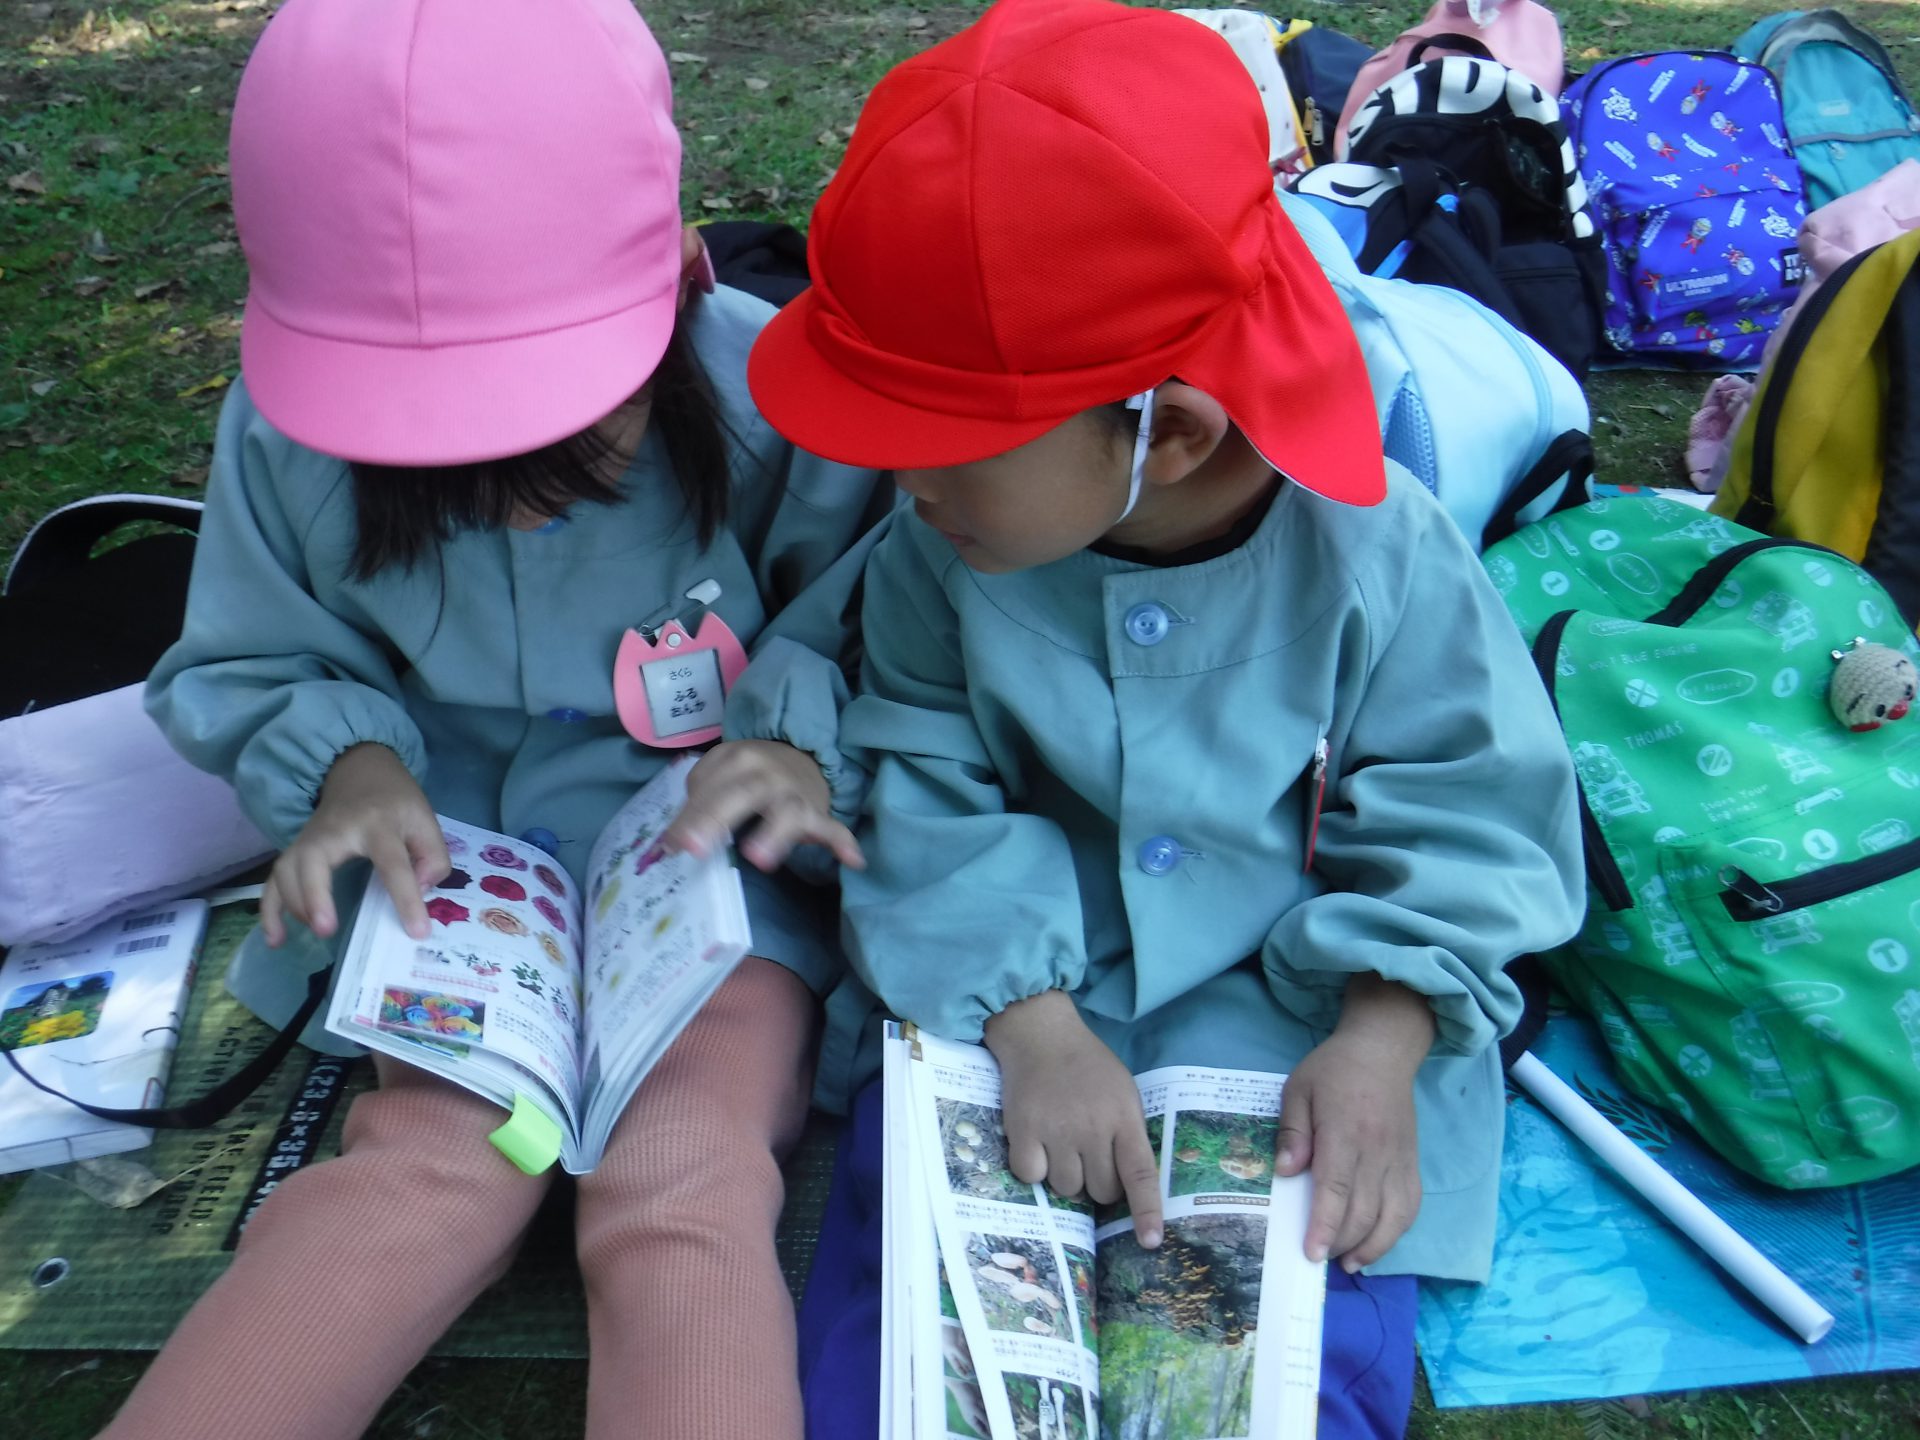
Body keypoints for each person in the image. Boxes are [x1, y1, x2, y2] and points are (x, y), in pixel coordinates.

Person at [743, 2, 1586, 1435]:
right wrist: (1029, 1025)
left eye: (941, 448)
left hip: (1297, 1035)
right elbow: (921, 771)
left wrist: (1384, 1035)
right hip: (993, 1016)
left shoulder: (1380, 553)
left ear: (1172, 433)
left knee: (1289, 1374)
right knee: (902, 1359)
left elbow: (1476, 804)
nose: (900, 485)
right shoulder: (943, 550)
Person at [102, 2, 889, 1437]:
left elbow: (869, 620)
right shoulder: (285, 434)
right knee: (431, 1165)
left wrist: (791, 746)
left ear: (676, 286)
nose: (515, 497)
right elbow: (252, 656)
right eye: (438, 452)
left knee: (683, 1170)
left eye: (565, 431)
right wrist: (349, 771)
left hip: (718, 883)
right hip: (454, 890)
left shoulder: (774, 396)